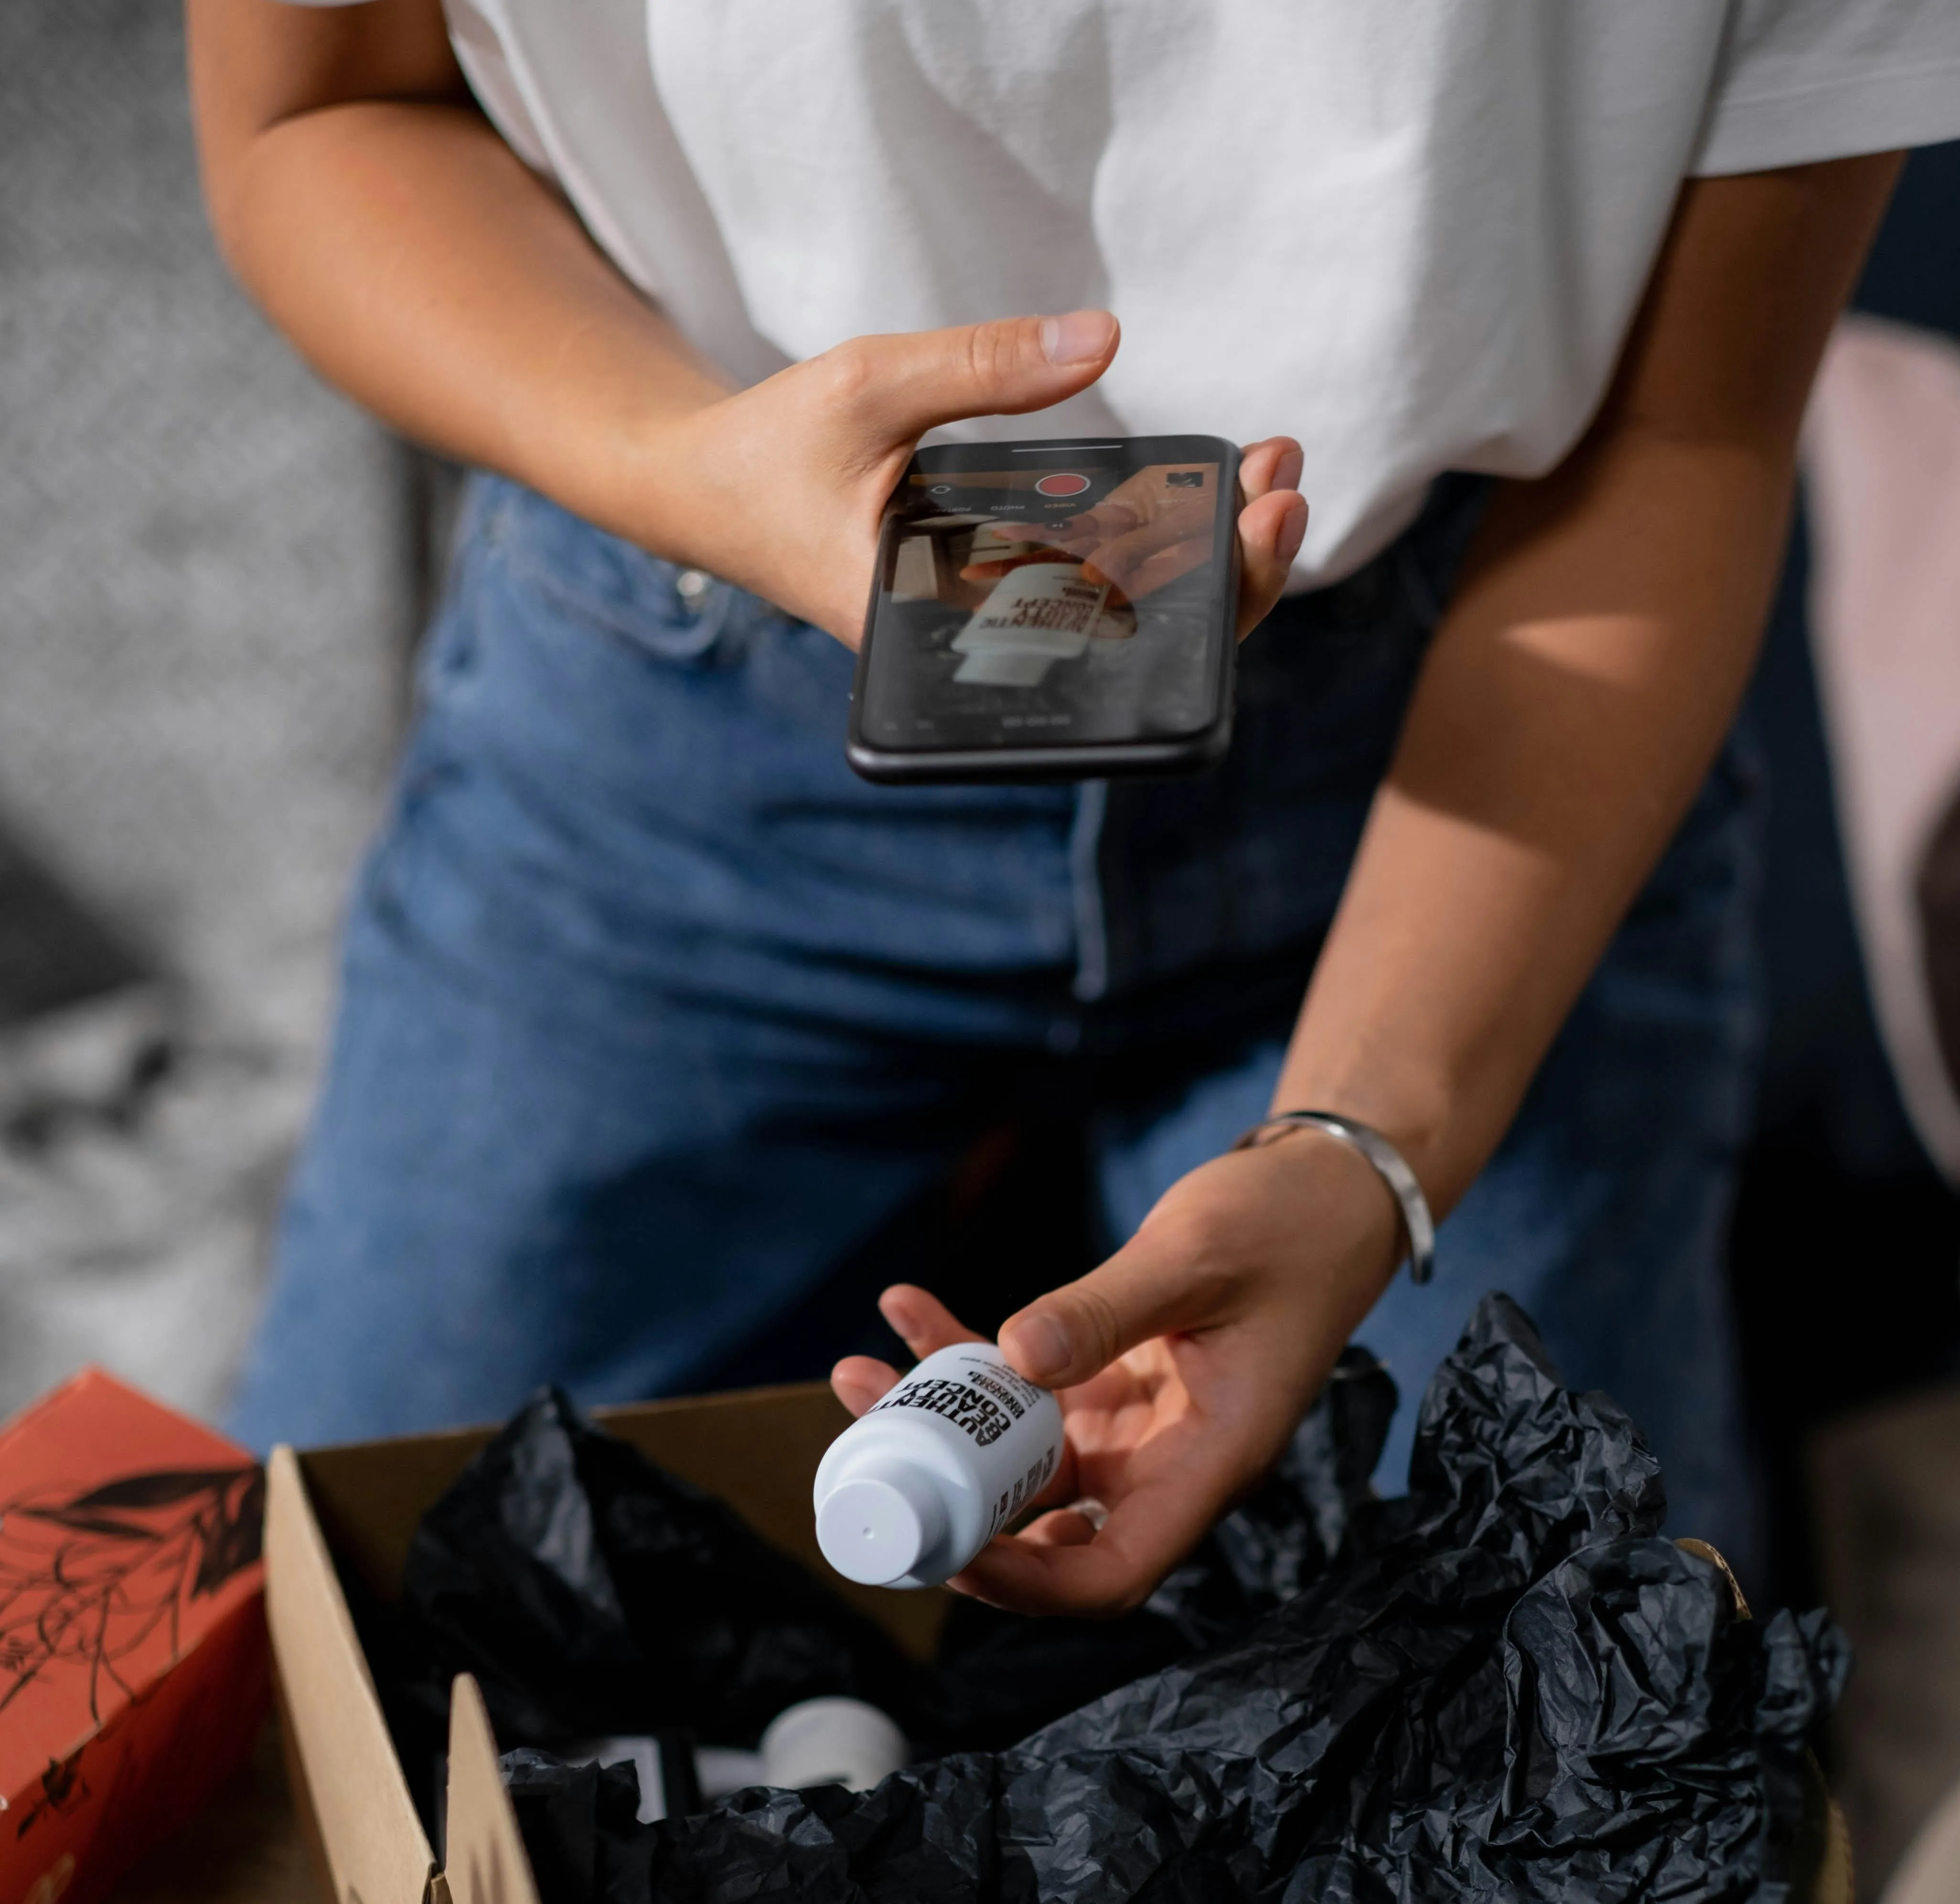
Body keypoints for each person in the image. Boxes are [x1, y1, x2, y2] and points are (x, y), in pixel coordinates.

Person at [193, 0, 1958, 1612]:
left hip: (1459, 740)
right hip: (683, 682)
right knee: (316, 1626)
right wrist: (686, 472)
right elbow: (316, 116)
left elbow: (1687, 436)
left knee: (1589, 1701)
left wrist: (1362, 1146)